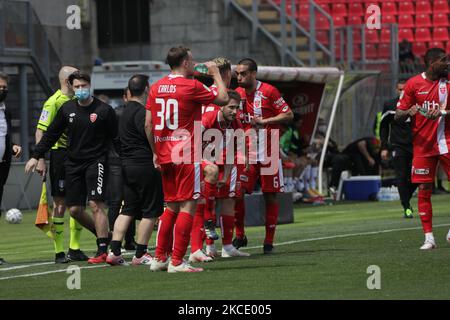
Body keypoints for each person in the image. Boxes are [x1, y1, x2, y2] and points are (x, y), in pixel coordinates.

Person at [146, 46, 228, 273]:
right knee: (188, 205)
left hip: (164, 153)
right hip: (185, 154)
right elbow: (222, 98)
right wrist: (215, 74)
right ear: (184, 62)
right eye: (191, 60)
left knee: (171, 206)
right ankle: (177, 261)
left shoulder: (156, 87)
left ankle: (160, 258)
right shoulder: (192, 85)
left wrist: (155, 151)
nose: (193, 64)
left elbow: (148, 124)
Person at [25, 71, 118, 263]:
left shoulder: (104, 110)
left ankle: (101, 250)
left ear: (90, 85)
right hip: (73, 163)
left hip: (96, 162)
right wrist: (36, 156)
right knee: (74, 210)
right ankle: (103, 235)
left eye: (84, 86)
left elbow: (116, 139)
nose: (81, 90)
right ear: (72, 87)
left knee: (95, 204)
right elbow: (50, 135)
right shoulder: (66, 109)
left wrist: (126, 160)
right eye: (77, 87)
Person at [234, 58, 294, 254]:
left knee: (271, 195)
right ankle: (240, 235)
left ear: (253, 73)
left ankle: (268, 242)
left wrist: (266, 120)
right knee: (237, 193)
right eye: (237, 73)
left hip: (269, 150)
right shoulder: (237, 94)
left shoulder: (268, 91)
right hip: (246, 152)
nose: (239, 77)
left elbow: (288, 114)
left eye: (243, 73)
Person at [35, 66, 93, 263]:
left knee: (78, 202)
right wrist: (40, 158)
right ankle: (59, 251)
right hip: (60, 156)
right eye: (76, 77)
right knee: (60, 203)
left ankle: (74, 248)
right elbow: (41, 131)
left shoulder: (78, 101)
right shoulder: (53, 102)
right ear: (68, 81)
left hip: (80, 156)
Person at [395, 47, 450, 250]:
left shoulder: (449, 83)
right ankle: (429, 238)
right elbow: (398, 115)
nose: (447, 63)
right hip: (423, 145)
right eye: (444, 60)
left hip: (447, 142)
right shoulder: (413, 84)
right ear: (432, 62)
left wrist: (443, 113)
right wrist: (409, 110)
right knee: (424, 189)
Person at [107, 75, 164, 266]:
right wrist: (156, 153)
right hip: (144, 164)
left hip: (126, 165)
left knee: (128, 208)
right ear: (147, 89)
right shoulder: (142, 112)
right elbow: (149, 130)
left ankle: (114, 251)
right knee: (151, 210)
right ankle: (140, 253)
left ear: (129, 91)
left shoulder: (121, 113)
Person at [196, 90, 250, 259]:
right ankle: (206, 243)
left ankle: (227, 247)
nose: (235, 111)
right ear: (221, 106)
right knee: (203, 196)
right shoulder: (209, 118)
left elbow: (234, 151)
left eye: (237, 108)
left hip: (221, 160)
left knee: (229, 199)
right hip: (198, 158)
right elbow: (192, 141)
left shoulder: (235, 124)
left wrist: (226, 176)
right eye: (231, 107)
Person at [190, 57, 233, 262]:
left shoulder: (211, 94)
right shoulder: (217, 98)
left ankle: (207, 245)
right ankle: (206, 229)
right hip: (192, 152)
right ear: (227, 74)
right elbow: (201, 127)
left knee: (208, 196)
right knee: (194, 200)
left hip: (207, 152)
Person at [101, 88, 137, 251]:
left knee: (119, 202)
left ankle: (121, 240)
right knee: (125, 202)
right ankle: (125, 240)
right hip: (120, 161)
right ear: (125, 97)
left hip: (117, 160)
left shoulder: (115, 113)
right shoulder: (136, 113)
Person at [380, 80, 416, 218]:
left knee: (417, 178)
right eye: (400, 89)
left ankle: (406, 197)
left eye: (404, 89)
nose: (402, 92)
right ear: (396, 90)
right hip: (397, 145)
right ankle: (406, 207)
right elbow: (383, 126)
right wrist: (384, 147)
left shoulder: (415, 104)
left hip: (415, 145)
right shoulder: (389, 105)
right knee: (401, 176)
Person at [0, 71, 22, 266]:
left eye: (4, 88)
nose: (2, 90)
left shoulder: (6, 111)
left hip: (2, 165)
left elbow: (4, 135)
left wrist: (12, 145)